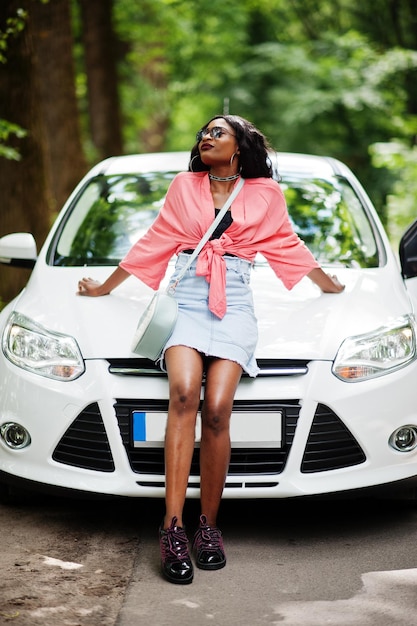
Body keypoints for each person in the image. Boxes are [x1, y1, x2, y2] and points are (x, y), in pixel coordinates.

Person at [77, 114, 344, 585]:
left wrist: (330, 284)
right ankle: (172, 526)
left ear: (240, 145)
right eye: (203, 132)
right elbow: (155, 240)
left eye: (217, 132)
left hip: (235, 301)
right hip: (186, 299)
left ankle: (209, 527)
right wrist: (103, 288)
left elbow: (288, 245)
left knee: (217, 408)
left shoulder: (266, 194)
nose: (206, 137)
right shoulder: (185, 185)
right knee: (183, 393)